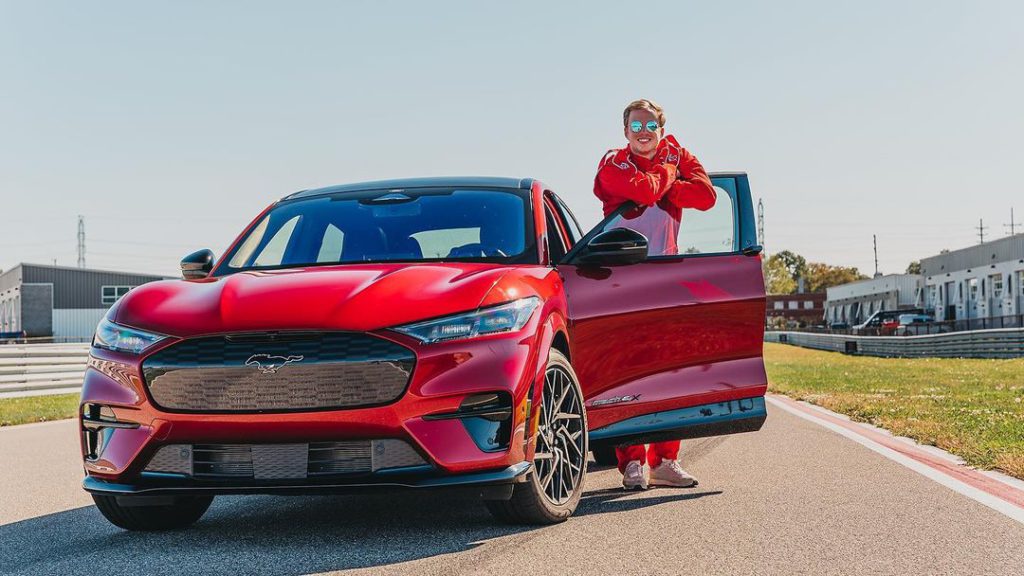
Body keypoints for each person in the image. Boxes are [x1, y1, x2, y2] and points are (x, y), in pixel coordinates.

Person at [592, 98, 717, 490]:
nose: (643, 133)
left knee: (670, 371)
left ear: (660, 129)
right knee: (630, 372)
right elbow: (644, 192)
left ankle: (665, 460)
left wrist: (667, 186)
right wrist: (668, 171)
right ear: (625, 131)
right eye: (636, 127)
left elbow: (707, 197)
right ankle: (632, 463)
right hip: (623, 278)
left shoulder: (680, 154)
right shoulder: (612, 163)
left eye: (650, 127)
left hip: (666, 277)